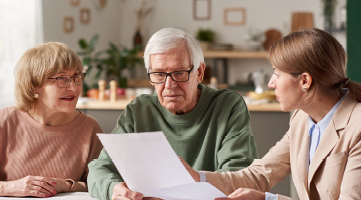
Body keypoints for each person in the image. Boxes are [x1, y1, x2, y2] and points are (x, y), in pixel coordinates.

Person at [183, 28, 361, 200]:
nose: (270, 83)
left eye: (276, 74)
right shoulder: (301, 119)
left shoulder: (357, 127)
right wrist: (197, 178)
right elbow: (259, 175)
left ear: (305, 81)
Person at [87, 27, 258, 200]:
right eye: (159, 74)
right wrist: (114, 190)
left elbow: (240, 177)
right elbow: (99, 169)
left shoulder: (228, 106)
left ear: (199, 72)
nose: (169, 84)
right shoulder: (138, 110)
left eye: (179, 73)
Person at [0, 42, 103, 197]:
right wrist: (11, 187)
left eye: (76, 77)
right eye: (62, 78)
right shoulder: (0, 123)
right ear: (34, 85)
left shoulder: (90, 128)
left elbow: (101, 184)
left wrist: (66, 185)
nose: (74, 88)